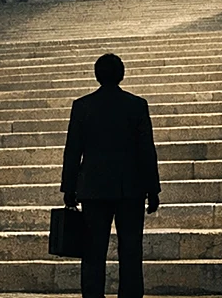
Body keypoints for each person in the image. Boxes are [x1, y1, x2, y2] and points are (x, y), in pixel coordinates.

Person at [61, 53, 161, 298]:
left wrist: (69, 188)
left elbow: (73, 150)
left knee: (93, 252)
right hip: (130, 188)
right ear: (121, 75)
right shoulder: (137, 105)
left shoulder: (82, 106)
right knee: (130, 251)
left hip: (93, 188)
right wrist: (153, 189)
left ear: (97, 76)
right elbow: (146, 150)